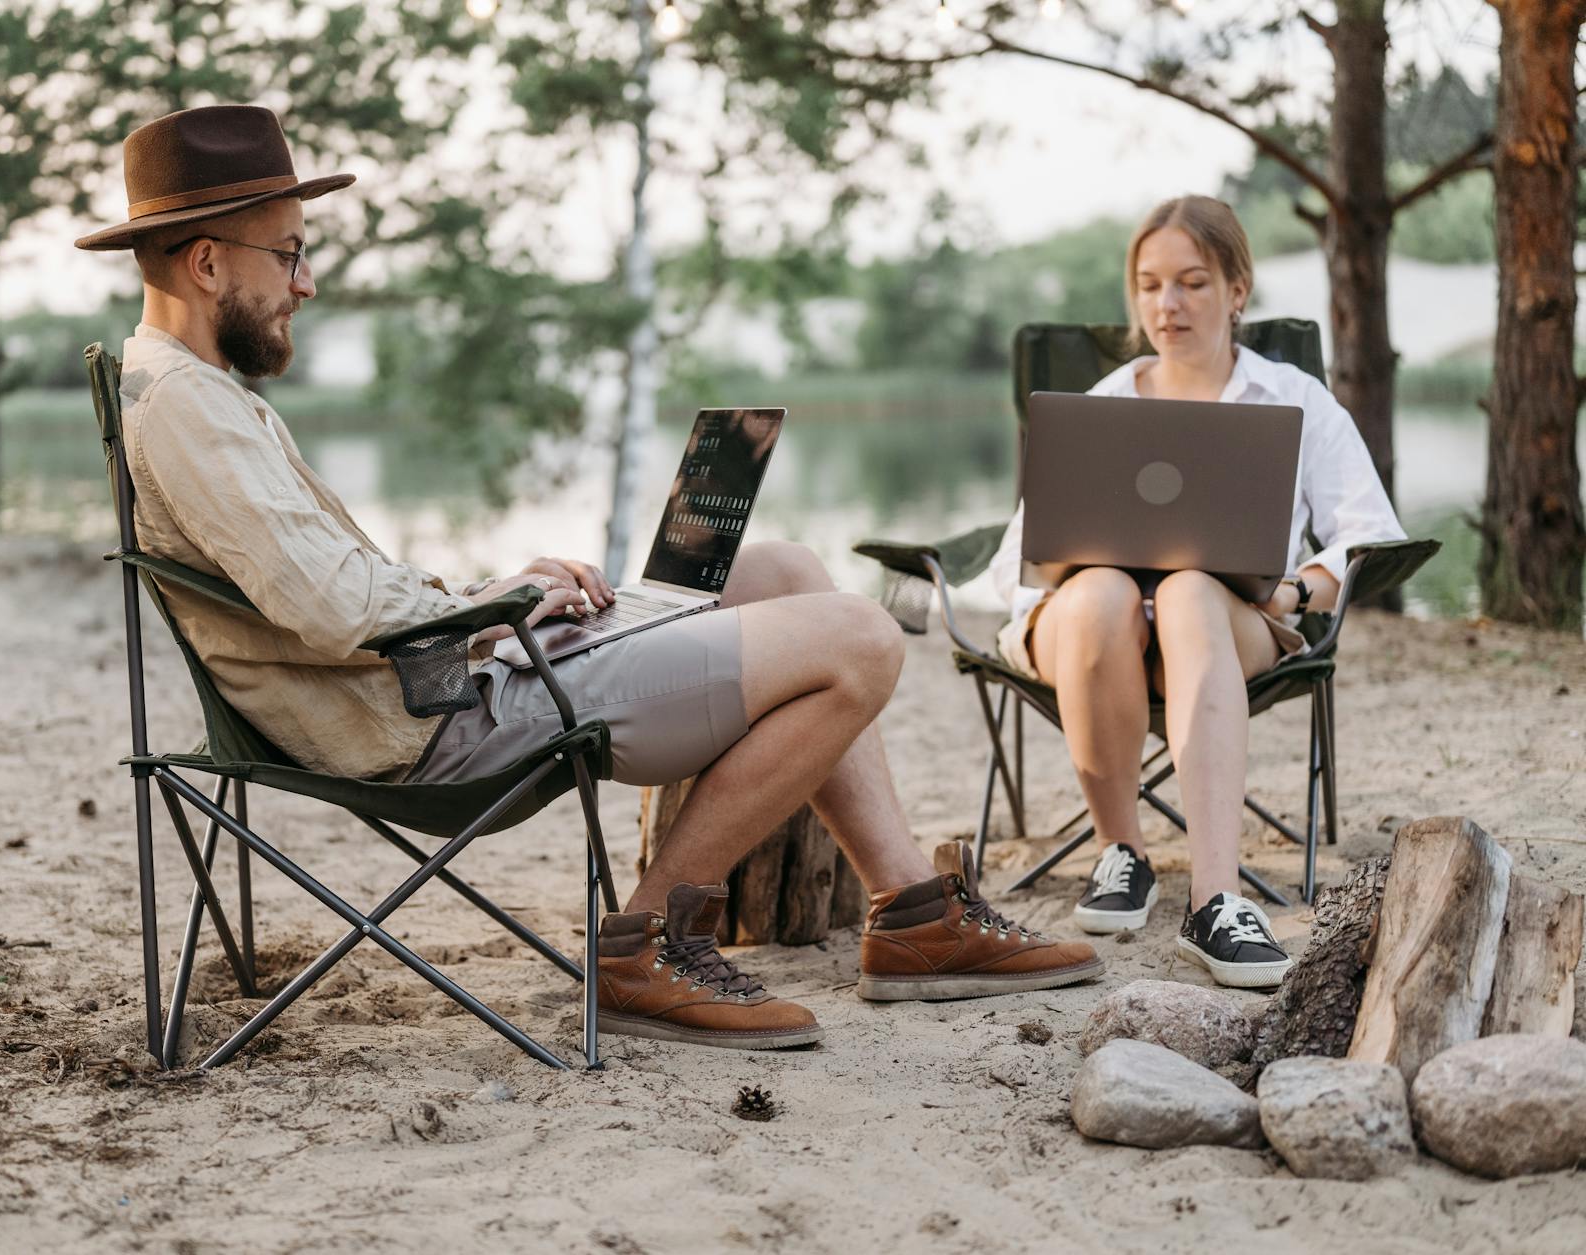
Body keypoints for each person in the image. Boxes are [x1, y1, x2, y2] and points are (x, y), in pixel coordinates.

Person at [75, 105, 1103, 1052]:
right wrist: (503, 609)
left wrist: (496, 590)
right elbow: (335, 607)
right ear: (208, 263)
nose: (305, 281)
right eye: (290, 255)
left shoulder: (192, 392)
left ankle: (910, 913)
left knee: (786, 567)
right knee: (862, 640)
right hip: (435, 726)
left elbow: (330, 585)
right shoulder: (187, 408)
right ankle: (644, 942)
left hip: (444, 680)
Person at [983, 195, 1405, 988]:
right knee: (1106, 589)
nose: (1166, 305)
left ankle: (1217, 900)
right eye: (1148, 285)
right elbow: (1021, 561)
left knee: (1187, 591)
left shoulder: (1294, 400)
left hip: (1223, 626)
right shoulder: (1102, 405)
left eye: (1191, 283)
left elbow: (1370, 535)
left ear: (1237, 289)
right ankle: (1122, 851)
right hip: (1088, 633)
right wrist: (1070, 560)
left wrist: (1290, 594)